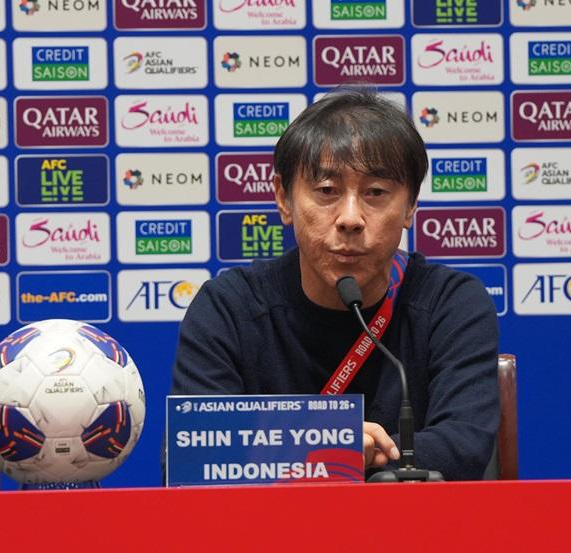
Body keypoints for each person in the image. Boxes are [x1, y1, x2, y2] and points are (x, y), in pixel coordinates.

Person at [171, 88, 499, 480]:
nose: (350, 218)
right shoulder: (229, 307)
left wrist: (312, 454)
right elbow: (193, 456)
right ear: (283, 199)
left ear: (411, 206)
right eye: (327, 191)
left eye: (375, 193)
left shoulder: (451, 303)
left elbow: (462, 448)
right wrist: (335, 447)